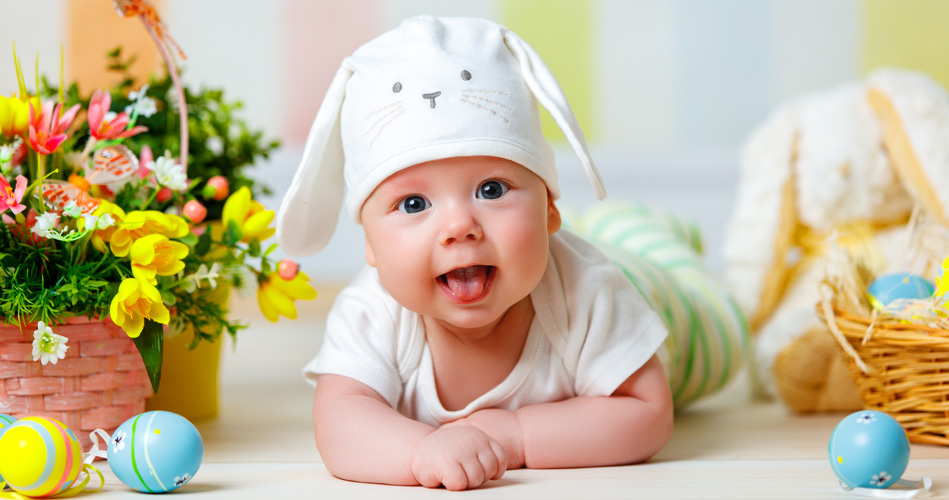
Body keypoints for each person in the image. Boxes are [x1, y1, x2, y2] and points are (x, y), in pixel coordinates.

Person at [276, 16, 676, 490]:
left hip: (665, 303)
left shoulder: (587, 291)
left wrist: (516, 435)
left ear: (549, 206)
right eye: (413, 204)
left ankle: (656, 235)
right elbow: (340, 421)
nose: (458, 227)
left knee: (682, 283)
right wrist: (421, 451)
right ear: (370, 245)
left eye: (490, 189)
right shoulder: (371, 311)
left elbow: (647, 411)